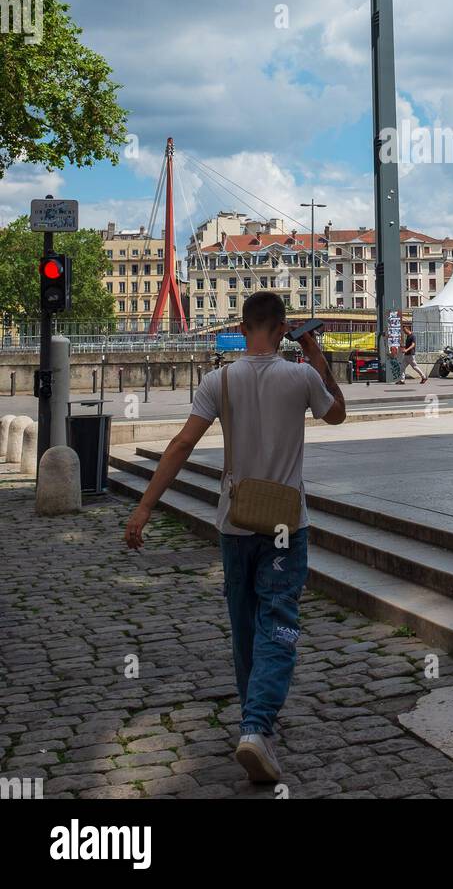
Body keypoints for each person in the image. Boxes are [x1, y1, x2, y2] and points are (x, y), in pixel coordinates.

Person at [123, 291, 346, 783]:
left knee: (245, 624)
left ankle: (254, 722)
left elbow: (182, 444)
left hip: (234, 520)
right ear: (283, 327)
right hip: (288, 521)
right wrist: (315, 356)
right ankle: (257, 725)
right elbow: (337, 414)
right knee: (280, 621)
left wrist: (143, 508)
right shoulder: (302, 376)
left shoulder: (218, 380)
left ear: (244, 329)